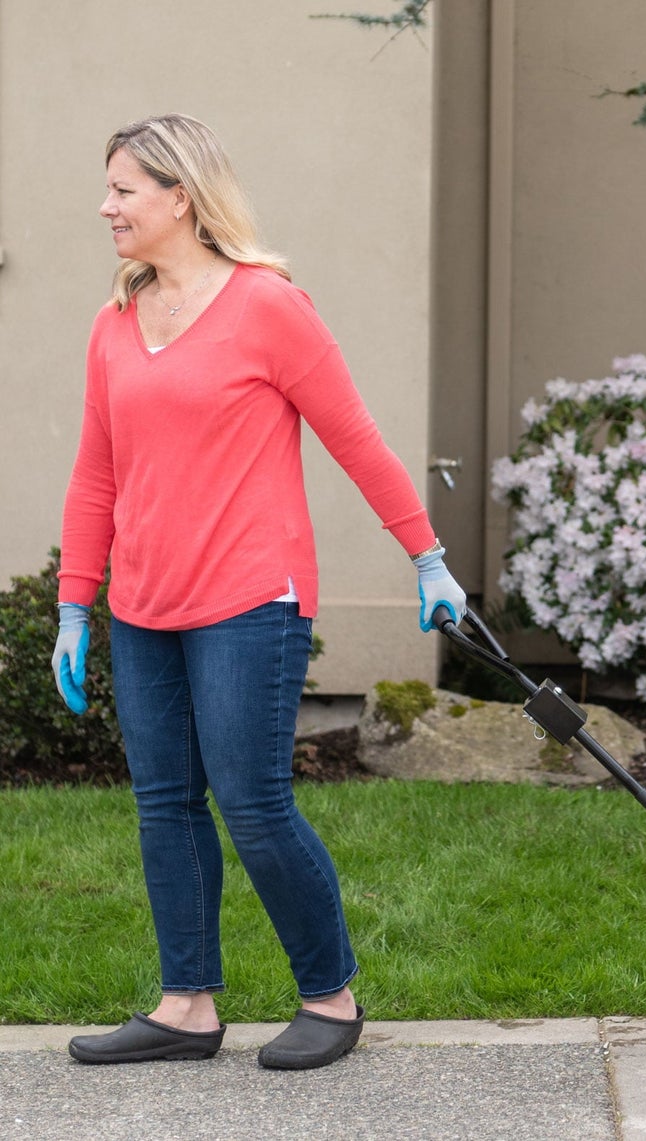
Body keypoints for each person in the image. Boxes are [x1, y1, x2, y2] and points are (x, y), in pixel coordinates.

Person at [51, 114, 467, 1071]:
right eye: (107, 188)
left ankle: (330, 994)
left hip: (250, 598)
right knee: (164, 804)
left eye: (123, 189)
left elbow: (354, 436)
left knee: (251, 800)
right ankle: (186, 1005)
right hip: (143, 607)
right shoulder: (114, 323)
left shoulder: (267, 307)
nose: (105, 205)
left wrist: (426, 556)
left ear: (180, 198)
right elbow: (95, 477)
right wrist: (77, 604)